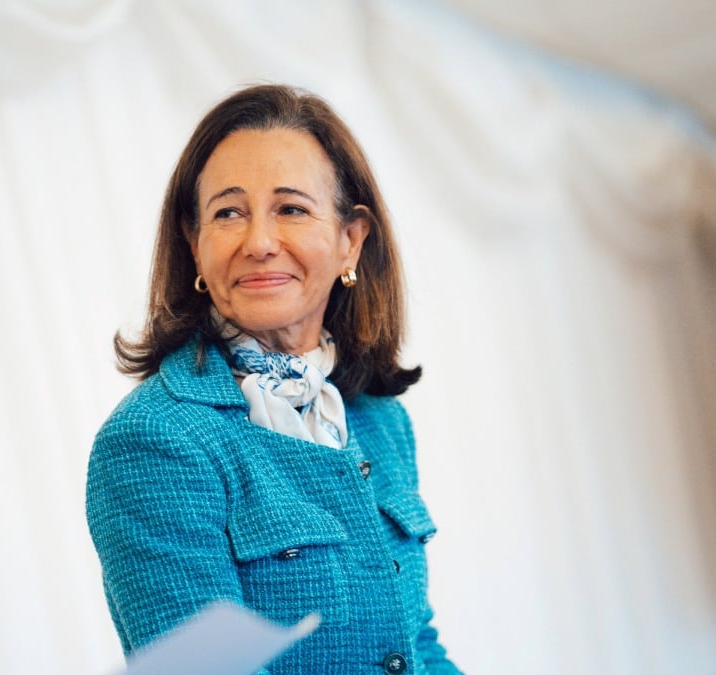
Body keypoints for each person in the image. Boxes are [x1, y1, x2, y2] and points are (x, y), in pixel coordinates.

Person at [86, 84, 462, 674]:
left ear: (350, 241)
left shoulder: (382, 423)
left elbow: (416, 643)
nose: (259, 242)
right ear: (196, 244)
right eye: (228, 213)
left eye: (291, 208)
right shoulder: (154, 442)